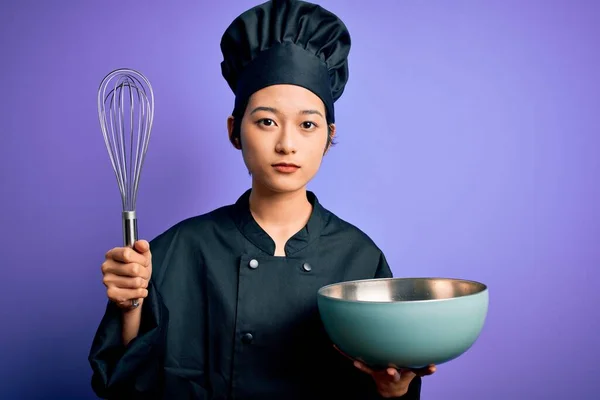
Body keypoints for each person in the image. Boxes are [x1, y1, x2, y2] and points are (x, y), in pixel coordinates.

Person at [88, 0, 436, 399]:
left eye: (308, 124)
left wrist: (392, 391)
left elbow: (388, 381)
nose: (287, 144)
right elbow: (126, 388)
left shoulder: (359, 259)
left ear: (328, 137)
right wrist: (130, 305)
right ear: (235, 131)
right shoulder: (179, 249)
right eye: (266, 121)